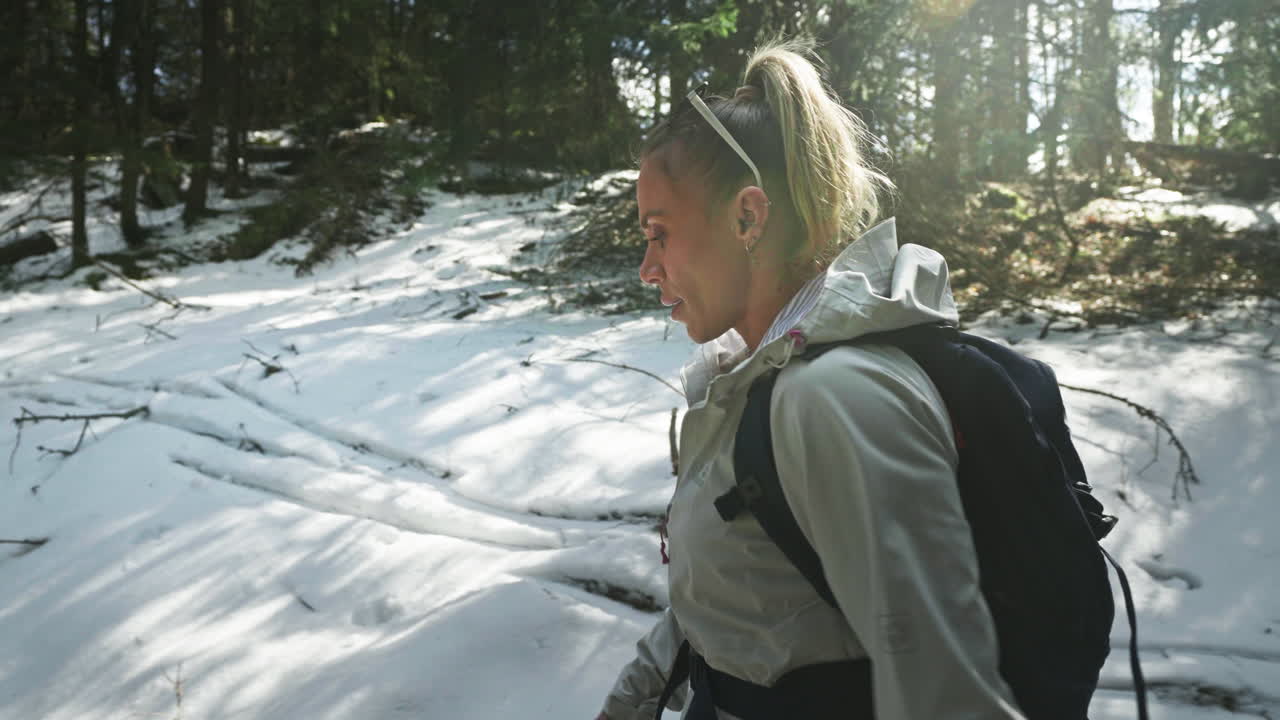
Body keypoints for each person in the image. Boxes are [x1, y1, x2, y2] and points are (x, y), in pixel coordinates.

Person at [595, 38, 1030, 720]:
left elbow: (946, 694)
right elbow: (735, 604)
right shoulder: (754, 381)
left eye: (659, 233)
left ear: (746, 217)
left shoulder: (834, 399)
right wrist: (634, 699)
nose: (647, 268)